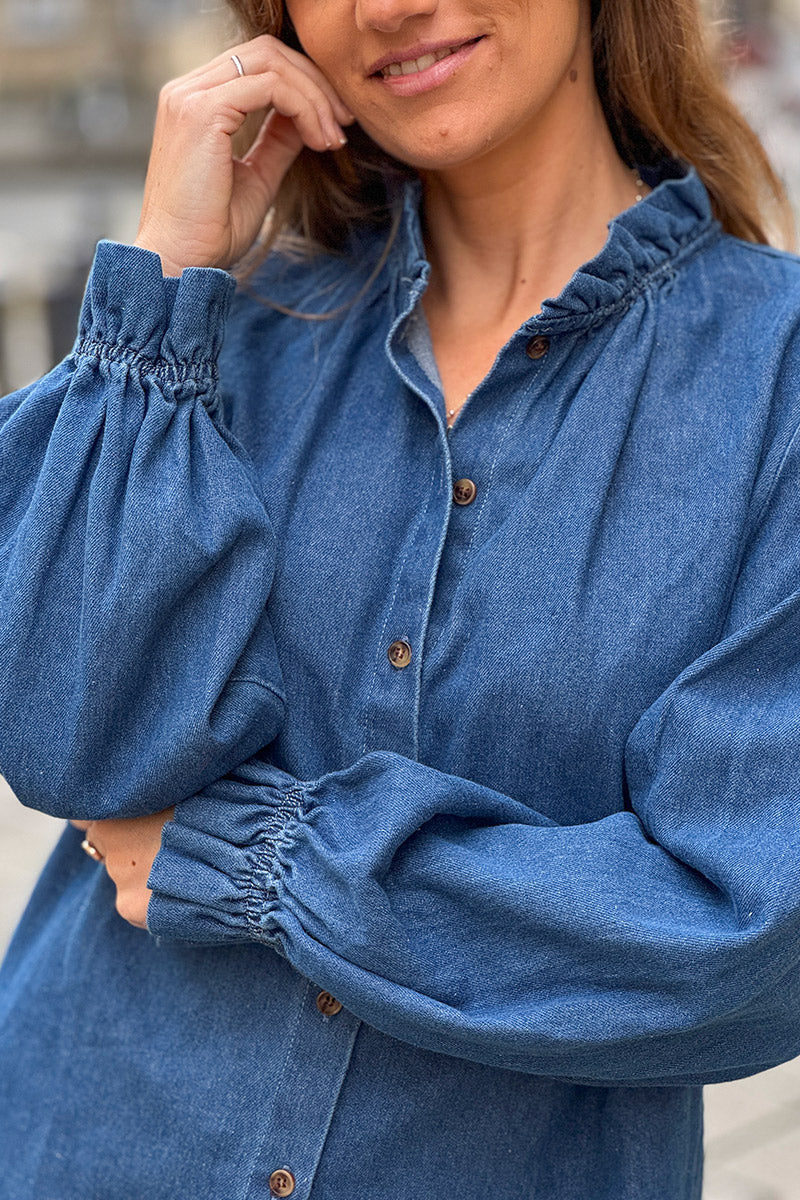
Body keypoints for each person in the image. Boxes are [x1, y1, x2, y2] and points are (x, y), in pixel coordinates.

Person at [1, 0, 799, 1196]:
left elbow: (743, 940)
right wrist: (166, 267)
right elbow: (62, 736)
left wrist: (253, 860)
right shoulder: (215, 337)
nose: (385, 6)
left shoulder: (771, 383)